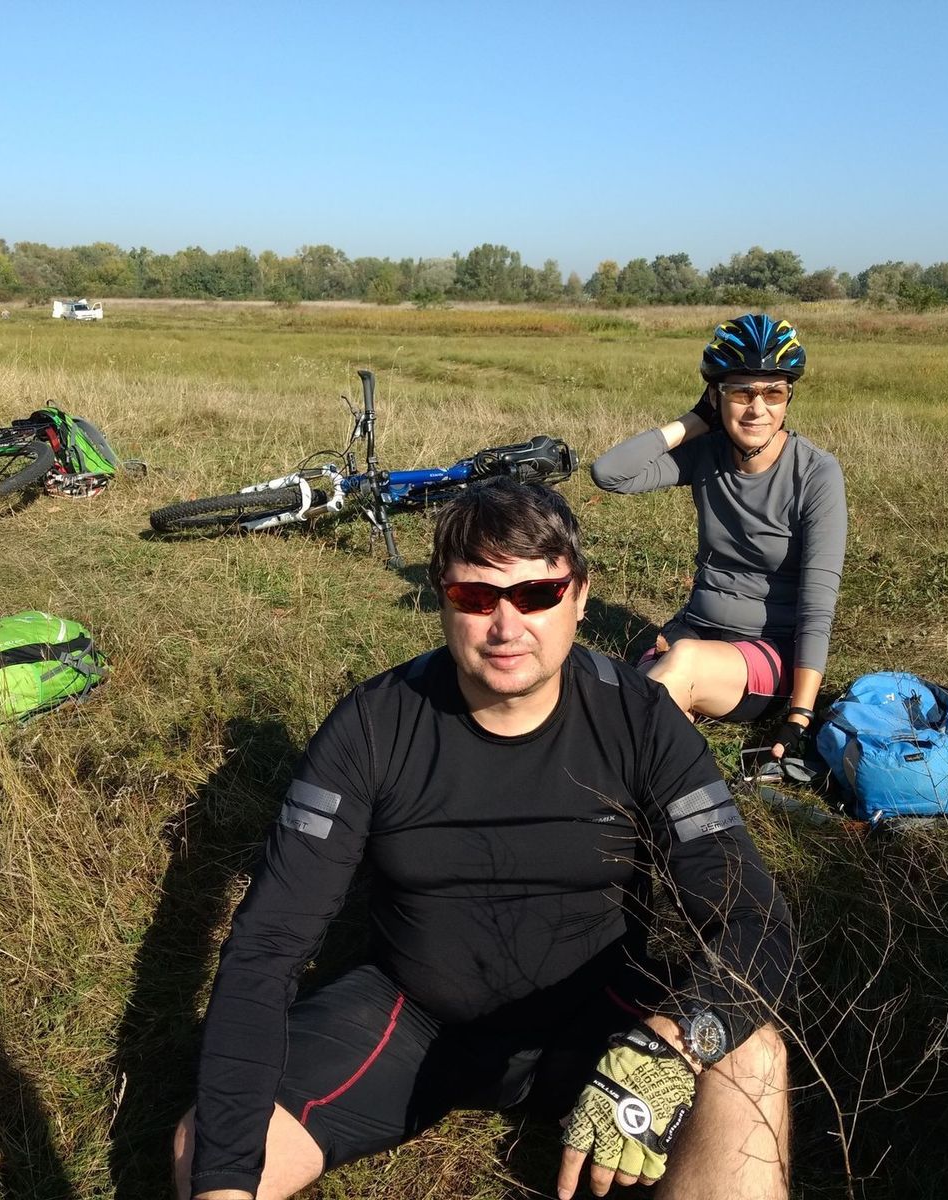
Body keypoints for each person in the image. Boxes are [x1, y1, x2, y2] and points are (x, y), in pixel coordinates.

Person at [174, 479, 795, 1200]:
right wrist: (224, 1180)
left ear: (580, 596)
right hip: (412, 1018)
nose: (507, 627)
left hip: (604, 1022)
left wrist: (678, 1040)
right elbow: (268, 945)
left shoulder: (641, 720)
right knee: (208, 1150)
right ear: (441, 598)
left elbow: (755, 915)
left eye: (537, 595)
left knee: (753, 1060)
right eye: (476, 597)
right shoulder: (373, 726)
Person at [589, 315, 847, 768]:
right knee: (638, 702)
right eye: (741, 393)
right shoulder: (707, 453)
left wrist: (800, 716)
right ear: (716, 396)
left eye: (773, 393)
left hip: (768, 652)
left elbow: (816, 606)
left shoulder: (815, 473)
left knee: (669, 678)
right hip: (693, 631)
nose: (757, 409)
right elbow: (610, 473)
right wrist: (694, 421)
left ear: (788, 398)